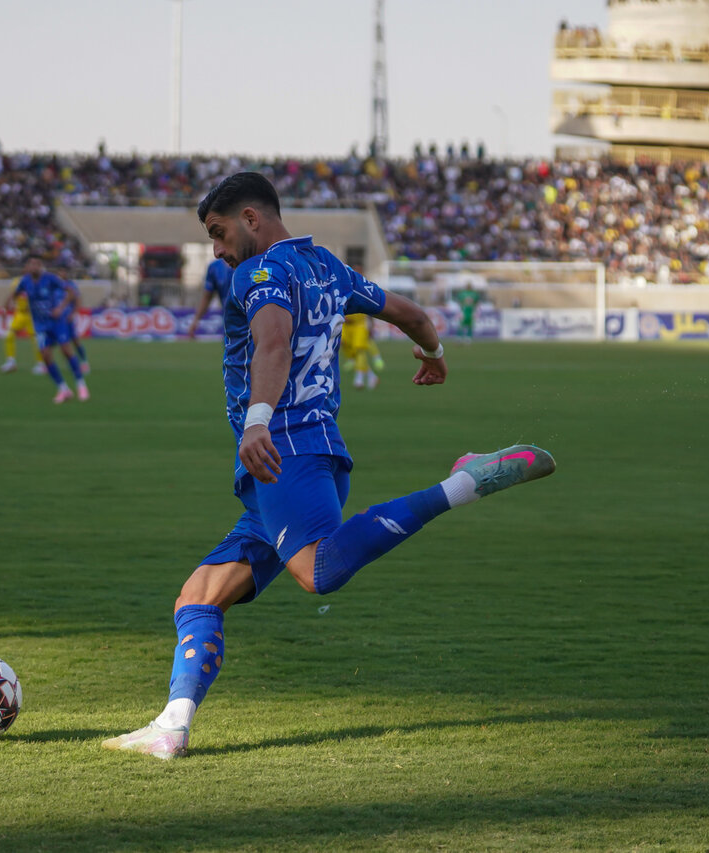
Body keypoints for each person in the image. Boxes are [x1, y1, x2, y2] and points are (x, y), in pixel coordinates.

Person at [103, 172, 555, 760]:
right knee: (199, 595)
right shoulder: (329, 268)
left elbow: (274, 339)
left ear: (252, 219)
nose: (217, 250)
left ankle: (463, 482)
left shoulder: (258, 271)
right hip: (309, 453)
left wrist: (259, 419)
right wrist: (435, 354)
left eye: (218, 233)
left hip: (283, 448)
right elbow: (410, 312)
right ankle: (171, 727)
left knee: (318, 572)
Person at [7, 256, 89, 403]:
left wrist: (60, 308)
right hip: (40, 325)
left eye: (36, 264)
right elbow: (15, 293)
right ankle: (63, 389)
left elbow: (71, 292)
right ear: (27, 266)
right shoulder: (25, 281)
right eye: (31, 264)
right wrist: (8, 302)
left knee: (66, 350)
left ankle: (81, 384)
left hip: (57, 321)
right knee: (45, 356)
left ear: (41, 266)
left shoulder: (50, 278)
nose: (34, 267)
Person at [0, 287, 45, 375]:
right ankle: (10, 362)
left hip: (32, 315)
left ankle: (41, 364)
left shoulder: (35, 282)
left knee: (36, 339)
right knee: (9, 336)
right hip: (20, 314)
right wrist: (4, 309)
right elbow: (12, 295)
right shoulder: (18, 282)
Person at [187, 257, 232, 339]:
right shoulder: (214, 267)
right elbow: (207, 297)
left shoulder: (247, 262)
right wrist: (196, 320)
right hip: (228, 321)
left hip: (248, 319)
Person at [340, 312, 383, 389]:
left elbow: (369, 311)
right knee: (349, 349)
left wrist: (371, 326)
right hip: (345, 326)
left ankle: (359, 379)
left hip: (359, 325)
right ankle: (372, 376)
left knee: (359, 350)